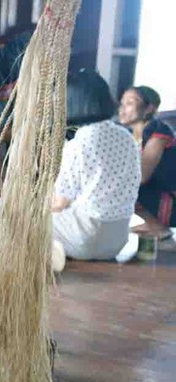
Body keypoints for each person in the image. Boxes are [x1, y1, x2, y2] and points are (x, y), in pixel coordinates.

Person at [50, 69, 141, 261]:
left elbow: (60, 202)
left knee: (28, 220)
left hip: (88, 237)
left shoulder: (79, 143)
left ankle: (55, 255)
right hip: (118, 237)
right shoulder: (127, 137)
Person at [118, 85, 176, 235]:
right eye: (122, 103)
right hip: (154, 191)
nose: (123, 109)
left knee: (121, 187)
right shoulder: (128, 134)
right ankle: (151, 223)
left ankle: (157, 226)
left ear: (149, 108)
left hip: (168, 197)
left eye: (130, 103)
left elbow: (142, 176)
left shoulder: (159, 132)